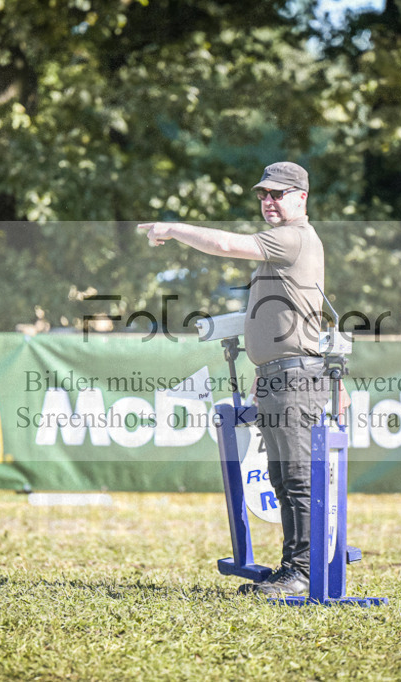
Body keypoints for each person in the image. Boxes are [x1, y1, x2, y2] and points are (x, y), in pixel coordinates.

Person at [138, 161, 327, 596]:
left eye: (278, 194)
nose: (268, 201)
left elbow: (225, 244)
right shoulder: (285, 241)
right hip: (280, 376)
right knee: (283, 479)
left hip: (296, 378)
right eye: (263, 194)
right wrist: (266, 368)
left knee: (298, 479)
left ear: (302, 197)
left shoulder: (293, 237)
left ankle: (302, 572)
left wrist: (174, 228)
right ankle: (292, 569)